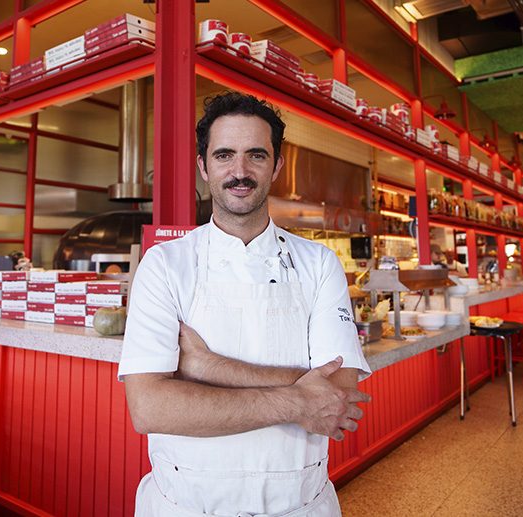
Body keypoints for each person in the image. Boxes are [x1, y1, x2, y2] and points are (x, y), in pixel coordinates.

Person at [119, 92, 372, 516]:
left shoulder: (319, 263)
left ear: (277, 166)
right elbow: (149, 408)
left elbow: (338, 393)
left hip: (299, 506)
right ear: (203, 167)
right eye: (224, 155)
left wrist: (207, 367)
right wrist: (298, 401)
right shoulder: (164, 265)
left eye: (256, 155)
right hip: (186, 507)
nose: (240, 171)